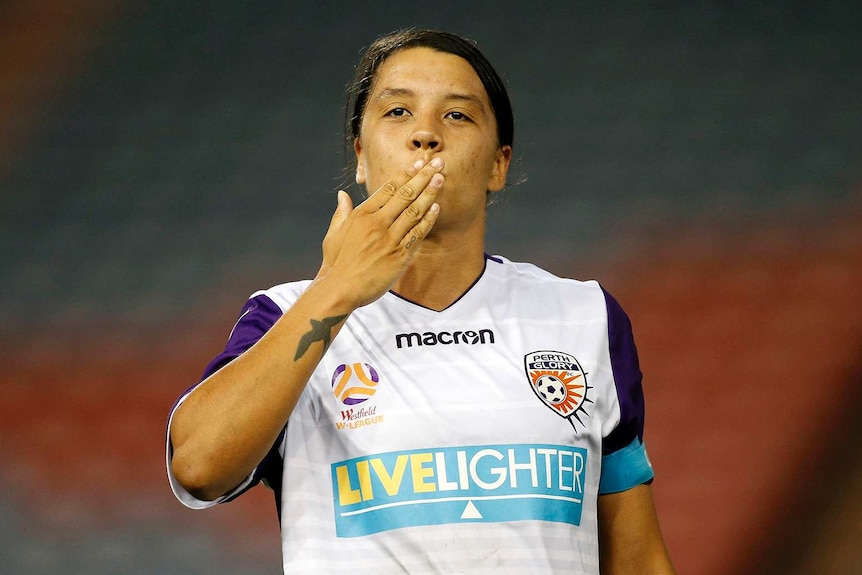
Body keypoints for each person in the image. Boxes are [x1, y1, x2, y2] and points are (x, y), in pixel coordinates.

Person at [166, 28, 676, 574]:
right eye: (398, 113)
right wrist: (337, 290)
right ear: (361, 157)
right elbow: (197, 470)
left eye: (457, 116)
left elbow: (638, 557)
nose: (426, 134)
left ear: (499, 164)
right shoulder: (286, 315)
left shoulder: (584, 317)